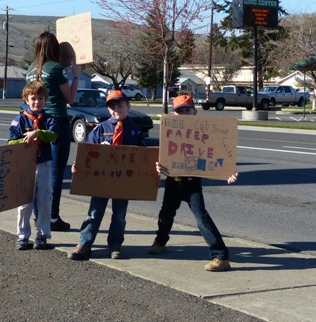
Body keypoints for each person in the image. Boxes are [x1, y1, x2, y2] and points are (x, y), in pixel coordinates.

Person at [149, 94, 239, 272]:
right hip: (173, 182)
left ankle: (220, 256)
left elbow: (219, 155)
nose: (183, 114)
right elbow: (162, 158)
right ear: (174, 114)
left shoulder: (205, 133)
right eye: (179, 111)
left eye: (187, 110)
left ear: (194, 112)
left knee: (201, 217)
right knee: (165, 215)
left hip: (192, 184)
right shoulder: (169, 133)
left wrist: (227, 174)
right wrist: (159, 166)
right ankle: (160, 241)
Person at [69, 89, 144, 261]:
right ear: (109, 109)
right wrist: (77, 165)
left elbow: (142, 157)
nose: (116, 109)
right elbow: (86, 151)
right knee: (94, 213)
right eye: (112, 106)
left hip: (123, 182)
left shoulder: (134, 131)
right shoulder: (100, 129)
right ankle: (84, 244)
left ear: (128, 106)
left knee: (119, 215)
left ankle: (115, 244)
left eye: (120, 105)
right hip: (101, 180)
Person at [26, 32, 81, 232]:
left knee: (37, 170)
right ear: (53, 48)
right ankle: (53, 217)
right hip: (56, 121)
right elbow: (70, 98)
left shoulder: (30, 70)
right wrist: (76, 75)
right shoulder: (56, 69)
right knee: (56, 171)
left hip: (35, 122)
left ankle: (38, 215)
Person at [8, 81, 58, 250]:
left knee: (44, 201)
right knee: (24, 204)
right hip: (25, 167)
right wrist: (25, 139)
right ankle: (23, 236)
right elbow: (11, 142)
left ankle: (43, 235)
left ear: (46, 100)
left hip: (43, 165)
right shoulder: (19, 120)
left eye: (41, 98)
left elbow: (54, 136)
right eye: (33, 98)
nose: (37, 102)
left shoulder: (48, 120)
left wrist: (38, 133)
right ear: (26, 100)